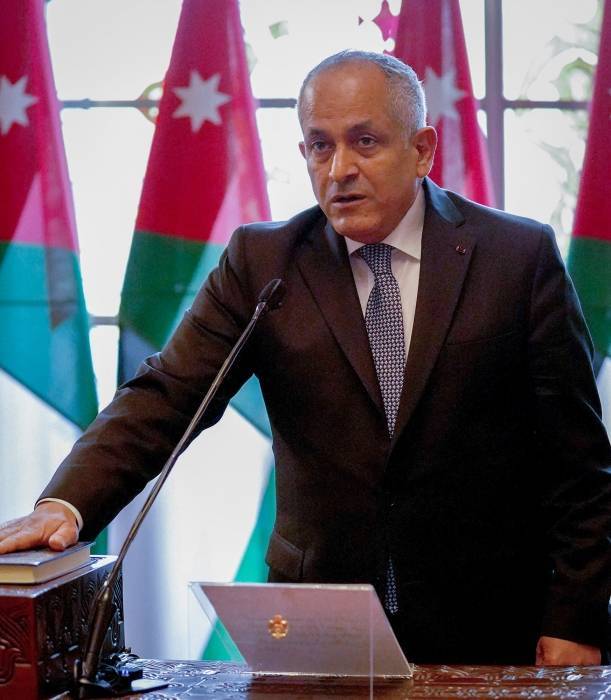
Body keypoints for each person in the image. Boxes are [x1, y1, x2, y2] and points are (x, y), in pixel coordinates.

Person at [1, 51, 609, 666]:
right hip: (319, 624)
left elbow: (580, 465)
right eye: (321, 146)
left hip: (491, 621)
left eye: (365, 142)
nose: (340, 169)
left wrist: (576, 620)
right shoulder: (264, 262)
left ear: (422, 150)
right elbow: (165, 397)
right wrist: (65, 504)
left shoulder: (517, 257)